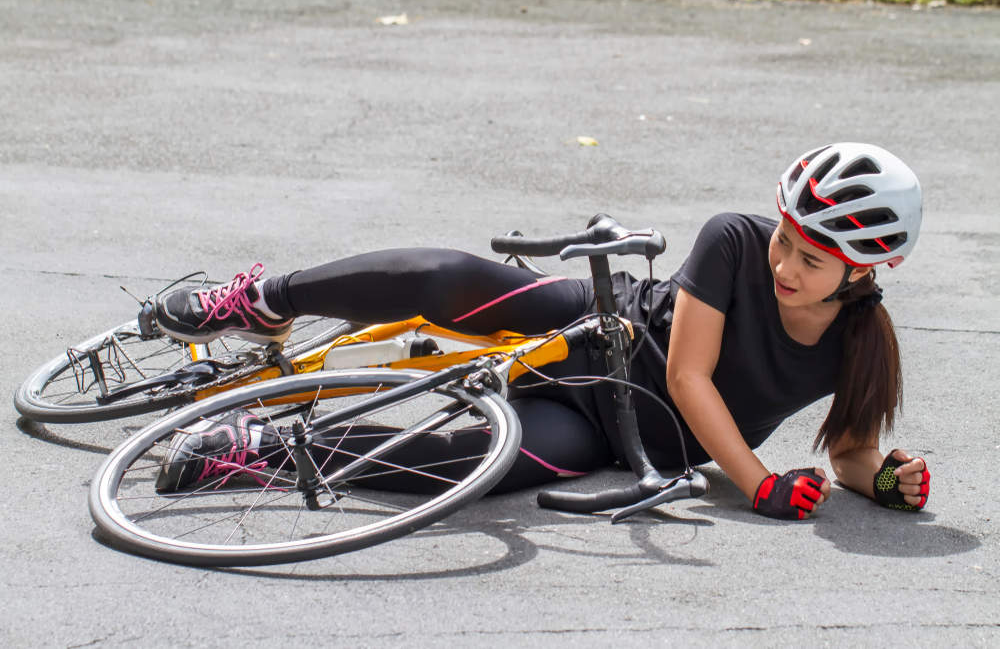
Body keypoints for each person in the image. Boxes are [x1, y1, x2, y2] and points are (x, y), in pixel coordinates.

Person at [152, 142, 931, 520]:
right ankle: (266, 299)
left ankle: (257, 450)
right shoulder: (732, 240)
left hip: (612, 432)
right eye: (786, 236)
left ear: (864, 272)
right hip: (596, 326)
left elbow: (849, 452)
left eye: (812, 258)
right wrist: (757, 480)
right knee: (443, 281)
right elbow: (690, 375)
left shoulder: (862, 344)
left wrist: (886, 481)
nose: (785, 262)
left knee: (475, 467)